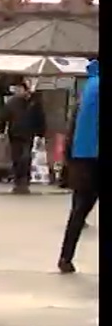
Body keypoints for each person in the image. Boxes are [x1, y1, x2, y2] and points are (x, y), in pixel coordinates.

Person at [58, 60, 99, 274]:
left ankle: (65, 257)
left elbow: (71, 129)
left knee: (79, 211)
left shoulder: (87, 90)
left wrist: (70, 159)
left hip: (83, 159)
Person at [0, 81, 46, 194]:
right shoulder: (11, 103)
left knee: (25, 158)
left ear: (26, 90)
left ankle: (24, 181)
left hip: (28, 134)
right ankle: (17, 181)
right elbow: (4, 117)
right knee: (16, 158)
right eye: (16, 90)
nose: (17, 92)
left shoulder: (34, 103)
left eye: (19, 89)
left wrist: (40, 134)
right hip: (14, 134)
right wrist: (1, 131)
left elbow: (40, 119)